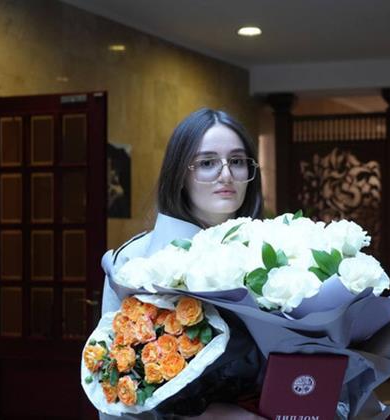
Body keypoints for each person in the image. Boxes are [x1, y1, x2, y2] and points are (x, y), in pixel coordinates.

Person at [98, 108, 265, 419]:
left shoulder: (276, 253)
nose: (226, 175)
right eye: (207, 163)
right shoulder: (136, 260)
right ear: (180, 174)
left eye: (237, 161)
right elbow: (115, 387)